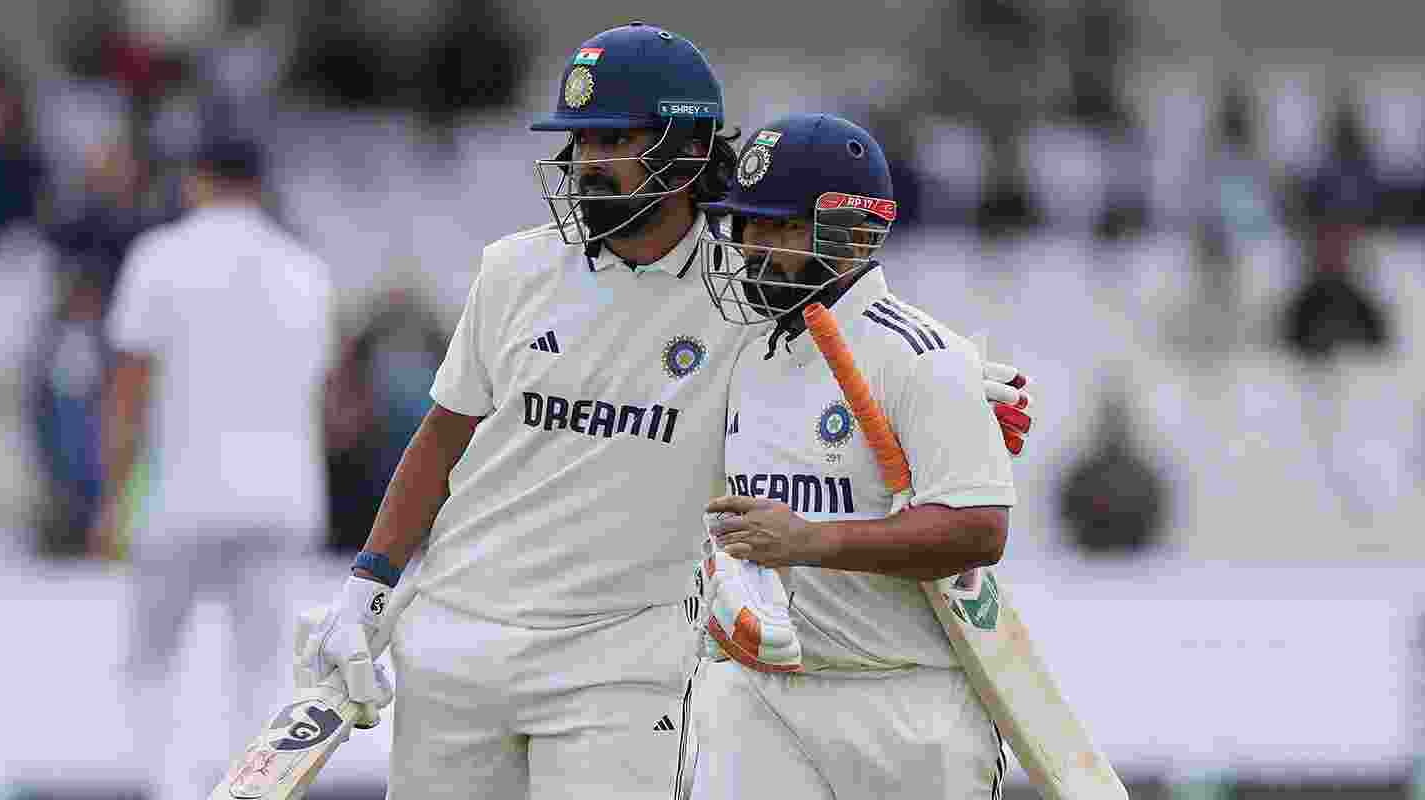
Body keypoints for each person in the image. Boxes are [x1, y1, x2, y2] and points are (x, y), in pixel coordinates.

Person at [296, 24, 1034, 800]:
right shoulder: (512, 269)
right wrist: (367, 590)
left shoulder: (747, 282)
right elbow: (443, 435)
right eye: (579, 142)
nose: (586, 163)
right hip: (458, 634)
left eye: (612, 139)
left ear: (684, 149)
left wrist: (966, 385)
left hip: (625, 662)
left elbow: (854, 330)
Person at [692, 113, 1018, 799]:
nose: (753, 246)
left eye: (779, 227)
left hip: (908, 703)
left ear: (854, 232)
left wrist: (808, 541)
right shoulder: (744, 352)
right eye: (747, 225)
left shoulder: (922, 358)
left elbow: (978, 532)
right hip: (766, 699)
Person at [94, 135, 334, 799]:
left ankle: (164, 792)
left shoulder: (159, 259)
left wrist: (113, 497)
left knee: (151, 663)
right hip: (282, 495)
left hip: (182, 494)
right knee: (264, 678)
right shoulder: (305, 269)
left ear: (196, 179)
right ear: (259, 183)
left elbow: (129, 388)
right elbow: (324, 394)